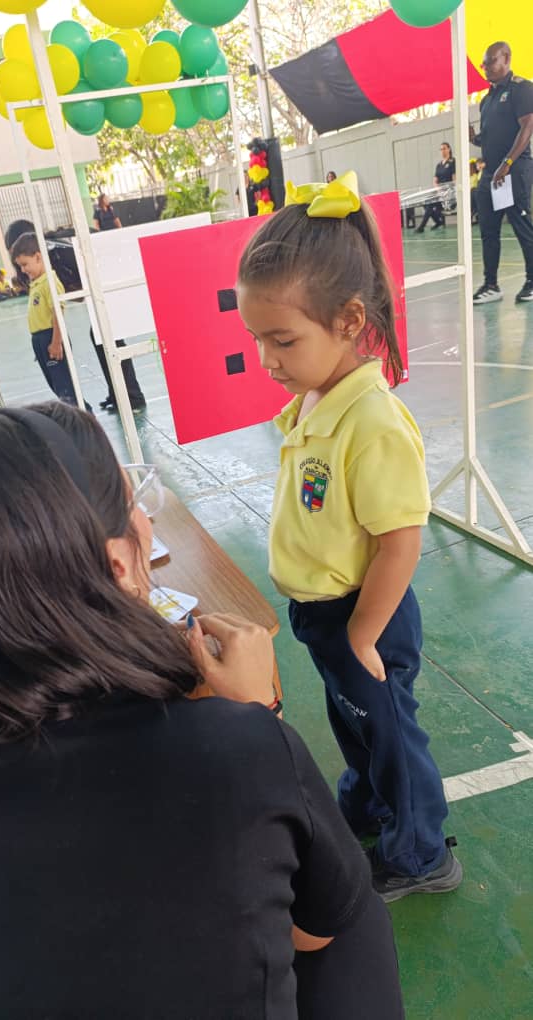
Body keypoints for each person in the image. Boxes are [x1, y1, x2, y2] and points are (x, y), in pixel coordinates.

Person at [0, 403, 405, 1020]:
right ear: (119, 564)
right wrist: (258, 719)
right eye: (133, 506)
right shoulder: (235, 749)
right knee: (353, 915)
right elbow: (312, 931)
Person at [236, 173, 463, 903]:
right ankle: (367, 805)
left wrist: (364, 634)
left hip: (365, 616)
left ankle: (421, 853)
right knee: (355, 723)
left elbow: (400, 541)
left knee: (392, 737)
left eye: (282, 340)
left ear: (348, 320)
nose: (267, 358)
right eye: (257, 339)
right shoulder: (317, 396)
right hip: (325, 617)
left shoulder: (372, 420)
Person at [5, 219, 147, 413]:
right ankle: (120, 394)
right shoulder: (47, 257)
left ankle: (131, 397)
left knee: (104, 334)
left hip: (116, 271)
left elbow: (87, 284)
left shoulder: (57, 252)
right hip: (102, 276)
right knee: (99, 333)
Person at [471, 42, 533, 304]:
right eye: (483, 63)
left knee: (521, 224)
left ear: (506, 58)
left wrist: (507, 163)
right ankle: (491, 284)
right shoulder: (487, 100)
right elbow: (488, 139)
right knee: (488, 230)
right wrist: (473, 138)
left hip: (512, 170)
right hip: (491, 174)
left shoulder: (522, 89)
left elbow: (528, 126)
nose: (485, 67)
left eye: (490, 61)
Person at [11, 232, 91, 410]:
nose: (23, 270)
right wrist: (39, 346)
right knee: (57, 386)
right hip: (41, 340)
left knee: (66, 389)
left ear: (38, 257)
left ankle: (85, 416)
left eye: (25, 264)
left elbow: (58, 314)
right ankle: (80, 415)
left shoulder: (50, 282)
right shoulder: (37, 282)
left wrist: (55, 342)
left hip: (51, 337)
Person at [415, 142, 456, 233]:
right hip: (439, 192)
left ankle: (422, 226)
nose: (442, 151)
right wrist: (438, 190)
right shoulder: (439, 165)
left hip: (448, 194)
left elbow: (454, 180)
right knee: (425, 201)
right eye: (441, 149)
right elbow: (435, 180)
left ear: (449, 149)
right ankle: (438, 221)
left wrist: (447, 191)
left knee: (430, 203)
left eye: (444, 148)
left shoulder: (453, 162)